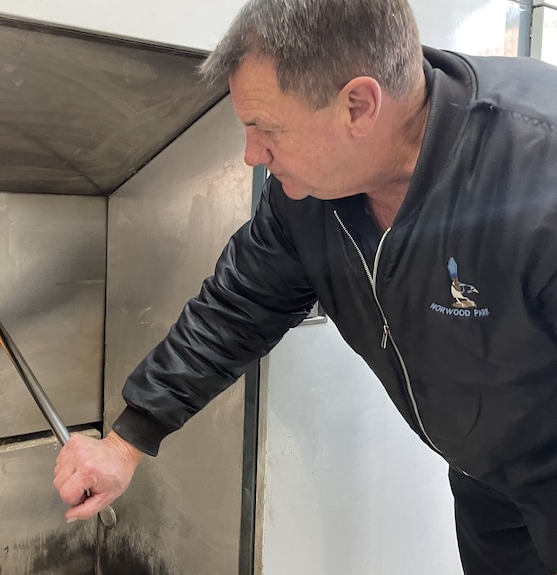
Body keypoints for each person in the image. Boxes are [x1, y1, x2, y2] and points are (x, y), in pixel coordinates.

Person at [53, 0, 557, 572]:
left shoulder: (537, 174)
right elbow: (237, 307)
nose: (251, 156)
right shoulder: (310, 199)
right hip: (484, 478)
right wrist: (125, 442)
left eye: (266, 131)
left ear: (358, 106)